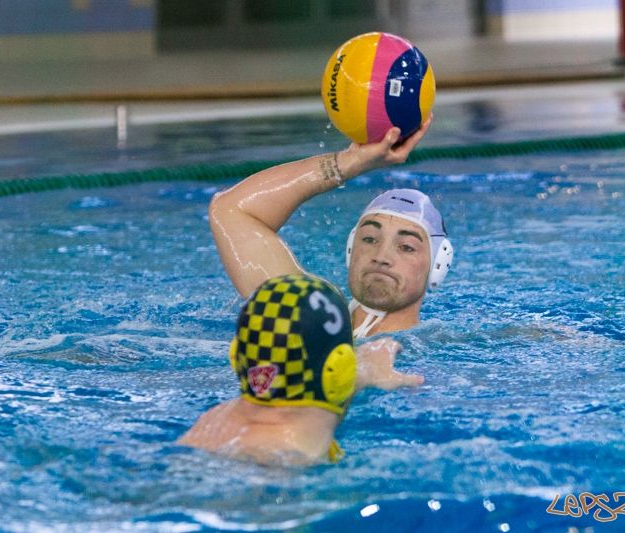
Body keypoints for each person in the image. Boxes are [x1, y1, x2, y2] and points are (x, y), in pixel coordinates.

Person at [208, 115, 453, 339]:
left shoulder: (440, 352)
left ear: (437, 266)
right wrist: (350, 163)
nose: (382, 257)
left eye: (406, 247)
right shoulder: (308, 318)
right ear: (350, 250)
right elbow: (230, 209)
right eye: (369, 239)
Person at [178, 274, 416, 465]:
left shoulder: (212, 422)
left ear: (236, 356)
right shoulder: (288, 461)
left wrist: (366, 370)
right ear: (339, 367)